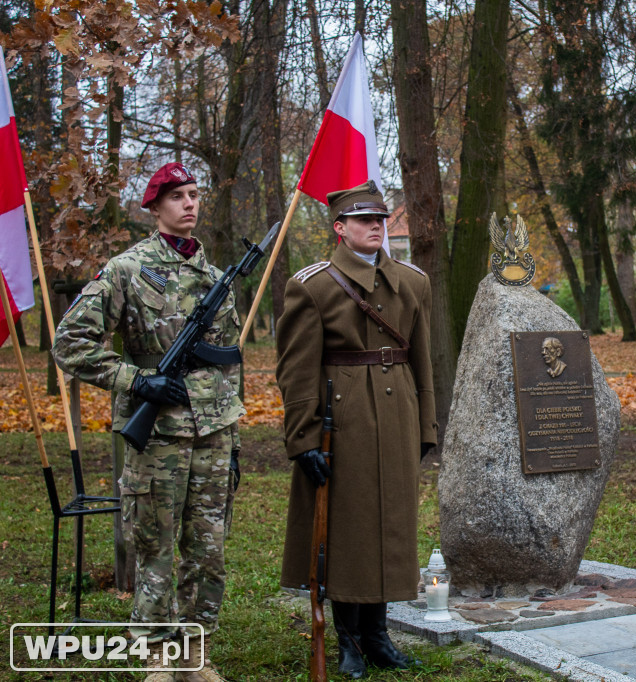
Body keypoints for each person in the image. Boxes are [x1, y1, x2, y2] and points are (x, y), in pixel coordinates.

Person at [52, 162, 243, 682]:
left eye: (195, 194)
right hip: (156, 435)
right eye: (177, 195)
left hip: (212, 431)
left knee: (208, 550)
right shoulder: (126, 269)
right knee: (155, 545)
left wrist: (233, 431)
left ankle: (195, 655)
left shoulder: (215, 275)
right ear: (155, 206)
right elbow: (69, 345)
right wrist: (136, 381)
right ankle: (157, 655)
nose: (189, 203)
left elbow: (228, 359)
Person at [276, 180, 437, 679]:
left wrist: (425, 424)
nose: (375, 227)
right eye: (364, 220)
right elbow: (296, 370)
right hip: (341, 420)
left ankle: (378, 635)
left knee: (392, 525)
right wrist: (303, 439)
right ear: (339, 228)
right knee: (349, 529)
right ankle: (346, 638)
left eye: (380, 220)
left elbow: (423, 360)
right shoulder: (313, 285)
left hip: (397, 417)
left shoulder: (413, 282)